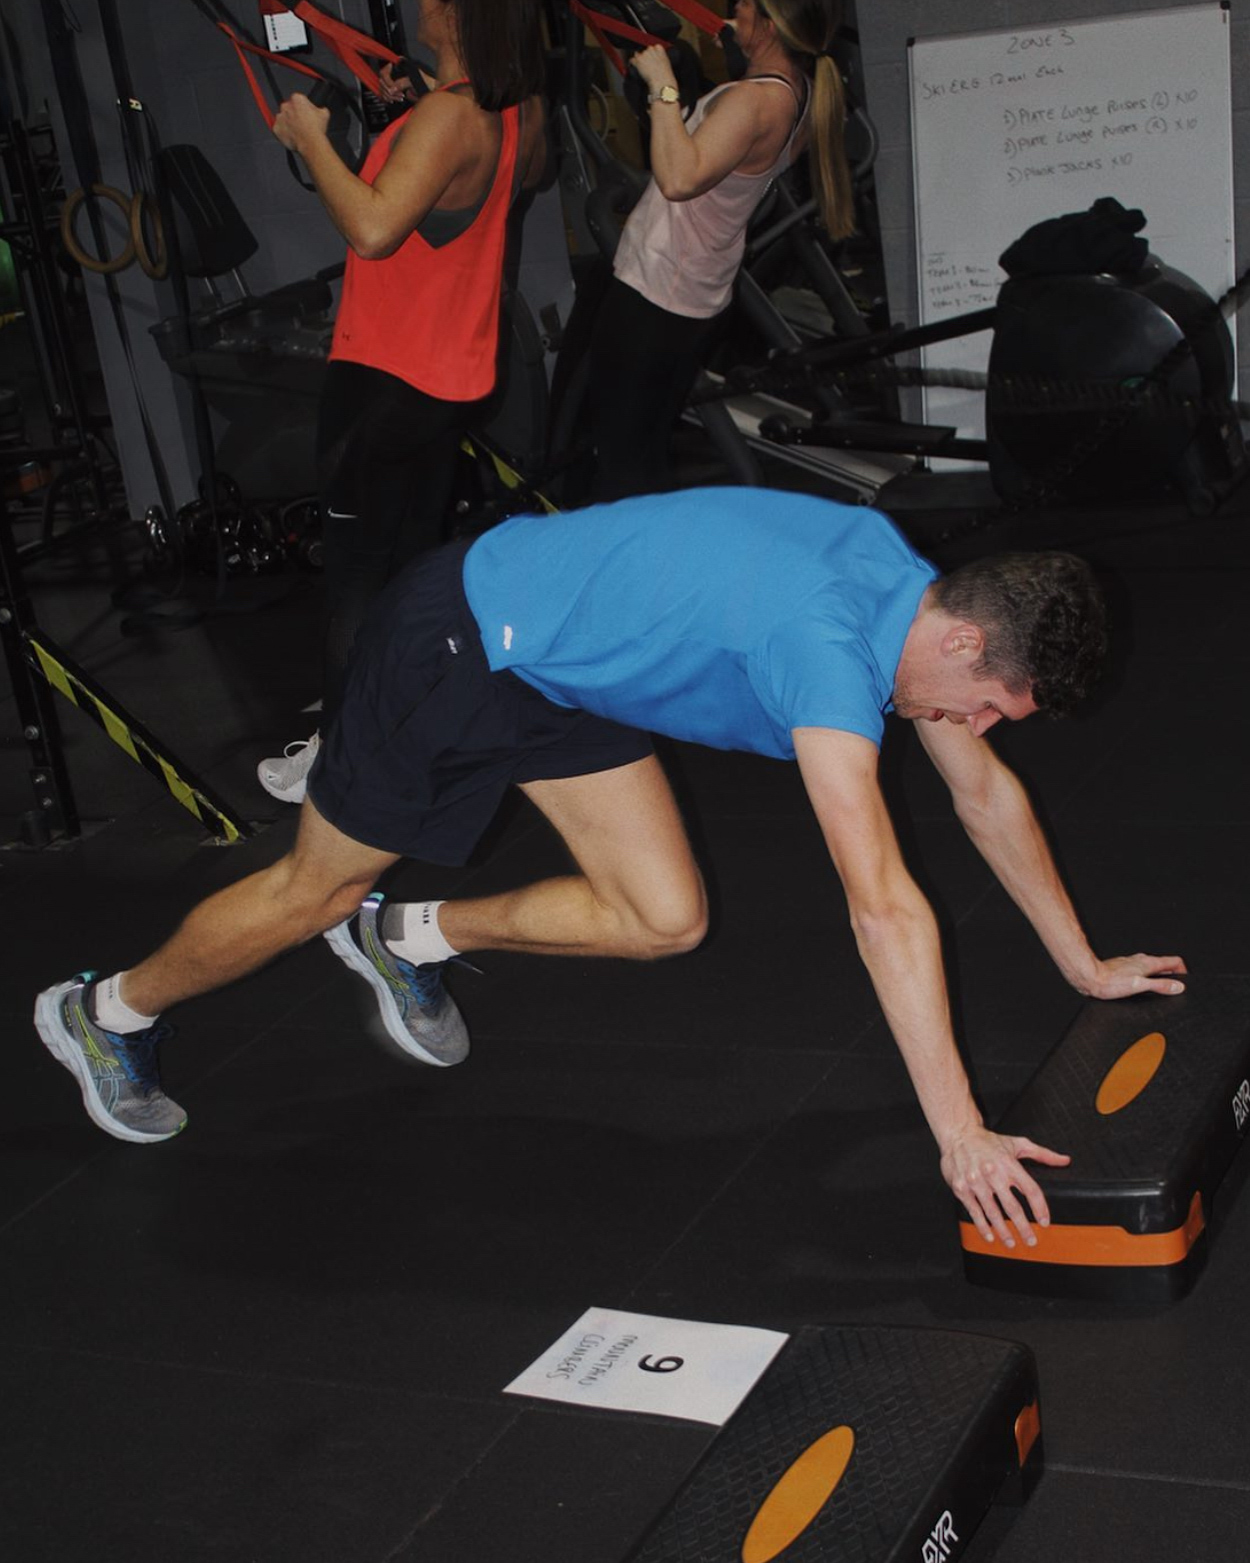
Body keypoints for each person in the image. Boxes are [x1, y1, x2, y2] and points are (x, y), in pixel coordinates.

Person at [33, 487, 1187, 1250]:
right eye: (983, 706)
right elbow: (881, 906)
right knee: (314, 887)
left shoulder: (913, 601)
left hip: (561, 674)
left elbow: (981, 796)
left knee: (663, 916)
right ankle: (104, 1012)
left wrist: (1080, 965)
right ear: (966, 642)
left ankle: (411, 937)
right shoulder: (827, 653)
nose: (973, 728)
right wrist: (957, 1132)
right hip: (459, 639)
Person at [256, 0, 547, 805]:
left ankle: (341, 759)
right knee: (409, 569)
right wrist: (416, 107)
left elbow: (376, 230)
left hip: (384, 380)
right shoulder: (507, 109)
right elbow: (451, 186)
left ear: (457, 14)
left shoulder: (451, 118)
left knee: (356, 581)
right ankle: (414, 725)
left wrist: (312, 141)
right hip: (445, 378)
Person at [585, 0, 854, 502]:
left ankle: (637, 568)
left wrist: (664, 84)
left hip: (659, 292)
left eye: (744, 9)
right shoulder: (796, 90)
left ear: (771, 26)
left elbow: (679, 178)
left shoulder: (754, 102)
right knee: (645, 449)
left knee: (623, 459)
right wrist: (734, 56)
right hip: (692, 292)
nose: (733, 15)